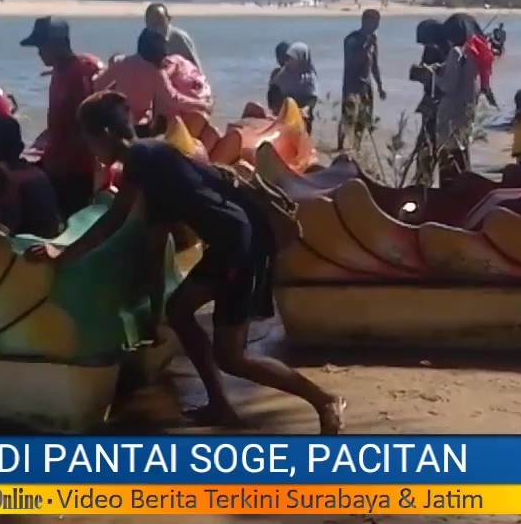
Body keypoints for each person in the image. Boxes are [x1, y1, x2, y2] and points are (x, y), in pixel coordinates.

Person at [26, 91, 345, 433]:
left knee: (233, 357)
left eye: (88, 140)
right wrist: (153, 310)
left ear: (103, 134)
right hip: (231, 242)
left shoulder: (141, 158)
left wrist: (64, 251)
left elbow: (114, 219)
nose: (90, 151)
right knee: (178, 310)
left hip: (239, 246)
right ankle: (219, 404)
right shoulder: (155, 161)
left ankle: (323, 399)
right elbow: (156, 242)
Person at [20, 16, 102, 217]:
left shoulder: (84, 69)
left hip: (79, 170)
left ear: (58, 43)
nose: (39, 52)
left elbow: (92, 121)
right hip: (57, 164)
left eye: (42, 45)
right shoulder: (58, 71)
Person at [92, 29, 211, 134]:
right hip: (140, 126)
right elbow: (173, 99)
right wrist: (201, 105)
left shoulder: (120, 63)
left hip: (117, 121)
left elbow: (97, 85)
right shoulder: (156, 72)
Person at [434, 13, 498, 185]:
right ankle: (465, 188)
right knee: (462, 150)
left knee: (448, 153)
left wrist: (434, 75)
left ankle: (449, 192)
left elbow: (449, 86)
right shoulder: (476, 52)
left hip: (452, 110)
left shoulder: (456, 52)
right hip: (468, 108)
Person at [0, 115, 63, 238]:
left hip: (27, 247)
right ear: (20, 147)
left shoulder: (6, 181)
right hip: (49, 240)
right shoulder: (37, 173)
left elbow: (6, 228)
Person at [409, 19, 451, 186]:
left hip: (433, 103)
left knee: (426, 145)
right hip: (447, 106)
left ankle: (423, 182)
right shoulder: (451, 50)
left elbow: (423, 75)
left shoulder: (433, 49)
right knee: (444, 147)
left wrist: (422, 71)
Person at [338, 9, 386, 151]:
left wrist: (380, 86)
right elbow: (352, 62)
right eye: (375, 22)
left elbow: (374, 65)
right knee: (348, 116)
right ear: (366, 22)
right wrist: (366, 47)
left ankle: (356, 147)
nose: (377, 26)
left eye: (378, 23)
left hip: (366, 85)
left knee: (364, 118)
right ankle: (340, 146)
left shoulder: (373, 41)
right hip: (351, 84)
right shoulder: (351, 39)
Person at [269, 42, 319, 133]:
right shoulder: (283, 73)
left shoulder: (309, 77)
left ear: (301, 58)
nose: (288, 61)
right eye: (288, 58)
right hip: (286, 112)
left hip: (303, 113)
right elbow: (273, 90)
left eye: (292, 58)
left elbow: (313, 98)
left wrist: (306, 109)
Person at [145, 2, 201, 68]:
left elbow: (195, 65)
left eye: (159, 19)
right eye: (151, 20)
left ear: (168, 19)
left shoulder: (179, 37)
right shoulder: (145, 39)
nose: (156, 23)